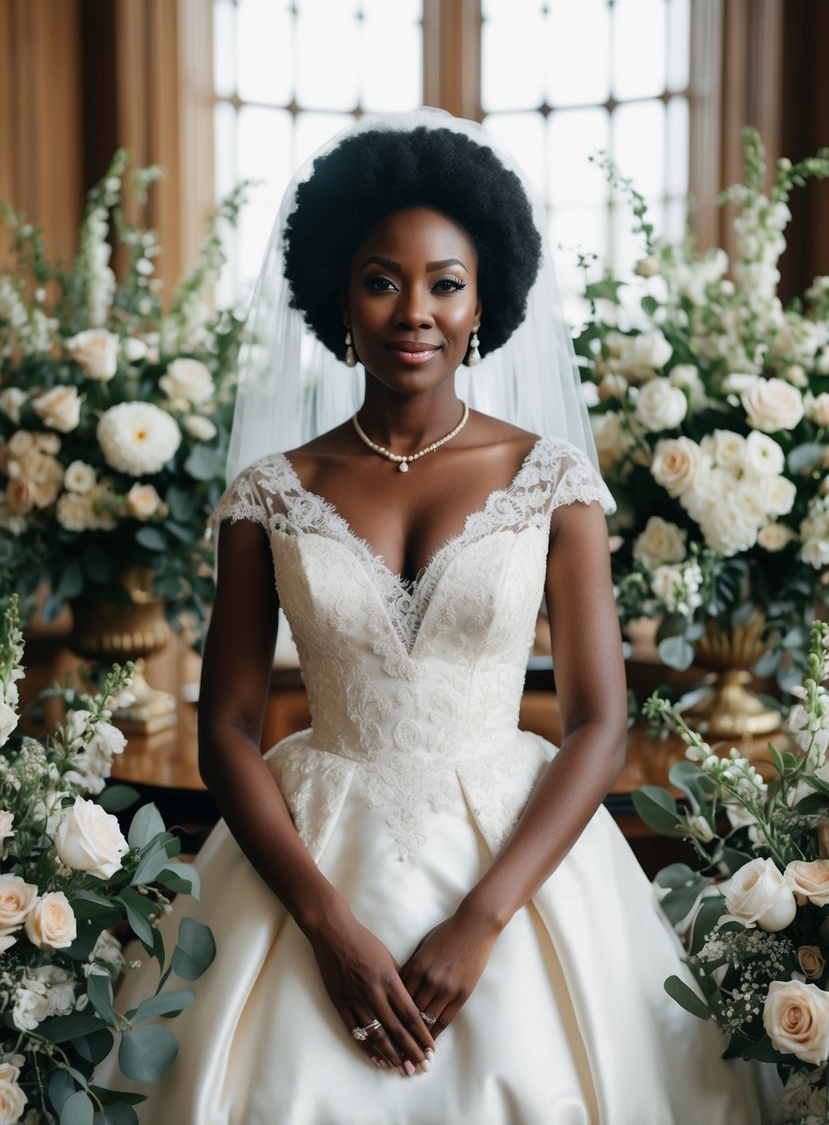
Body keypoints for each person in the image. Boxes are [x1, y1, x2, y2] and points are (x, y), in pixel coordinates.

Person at [111, 110, 760, 1124]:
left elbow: (598, 722)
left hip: (513, 853)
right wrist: (326, 924)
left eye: (444, 283)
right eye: (381, 279)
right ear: (339, 294)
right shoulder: (269, 492)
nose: (413, 311)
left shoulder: (551, 483)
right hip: (310, 855)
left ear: (480, 300)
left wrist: (484, 919)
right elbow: (228, 725)